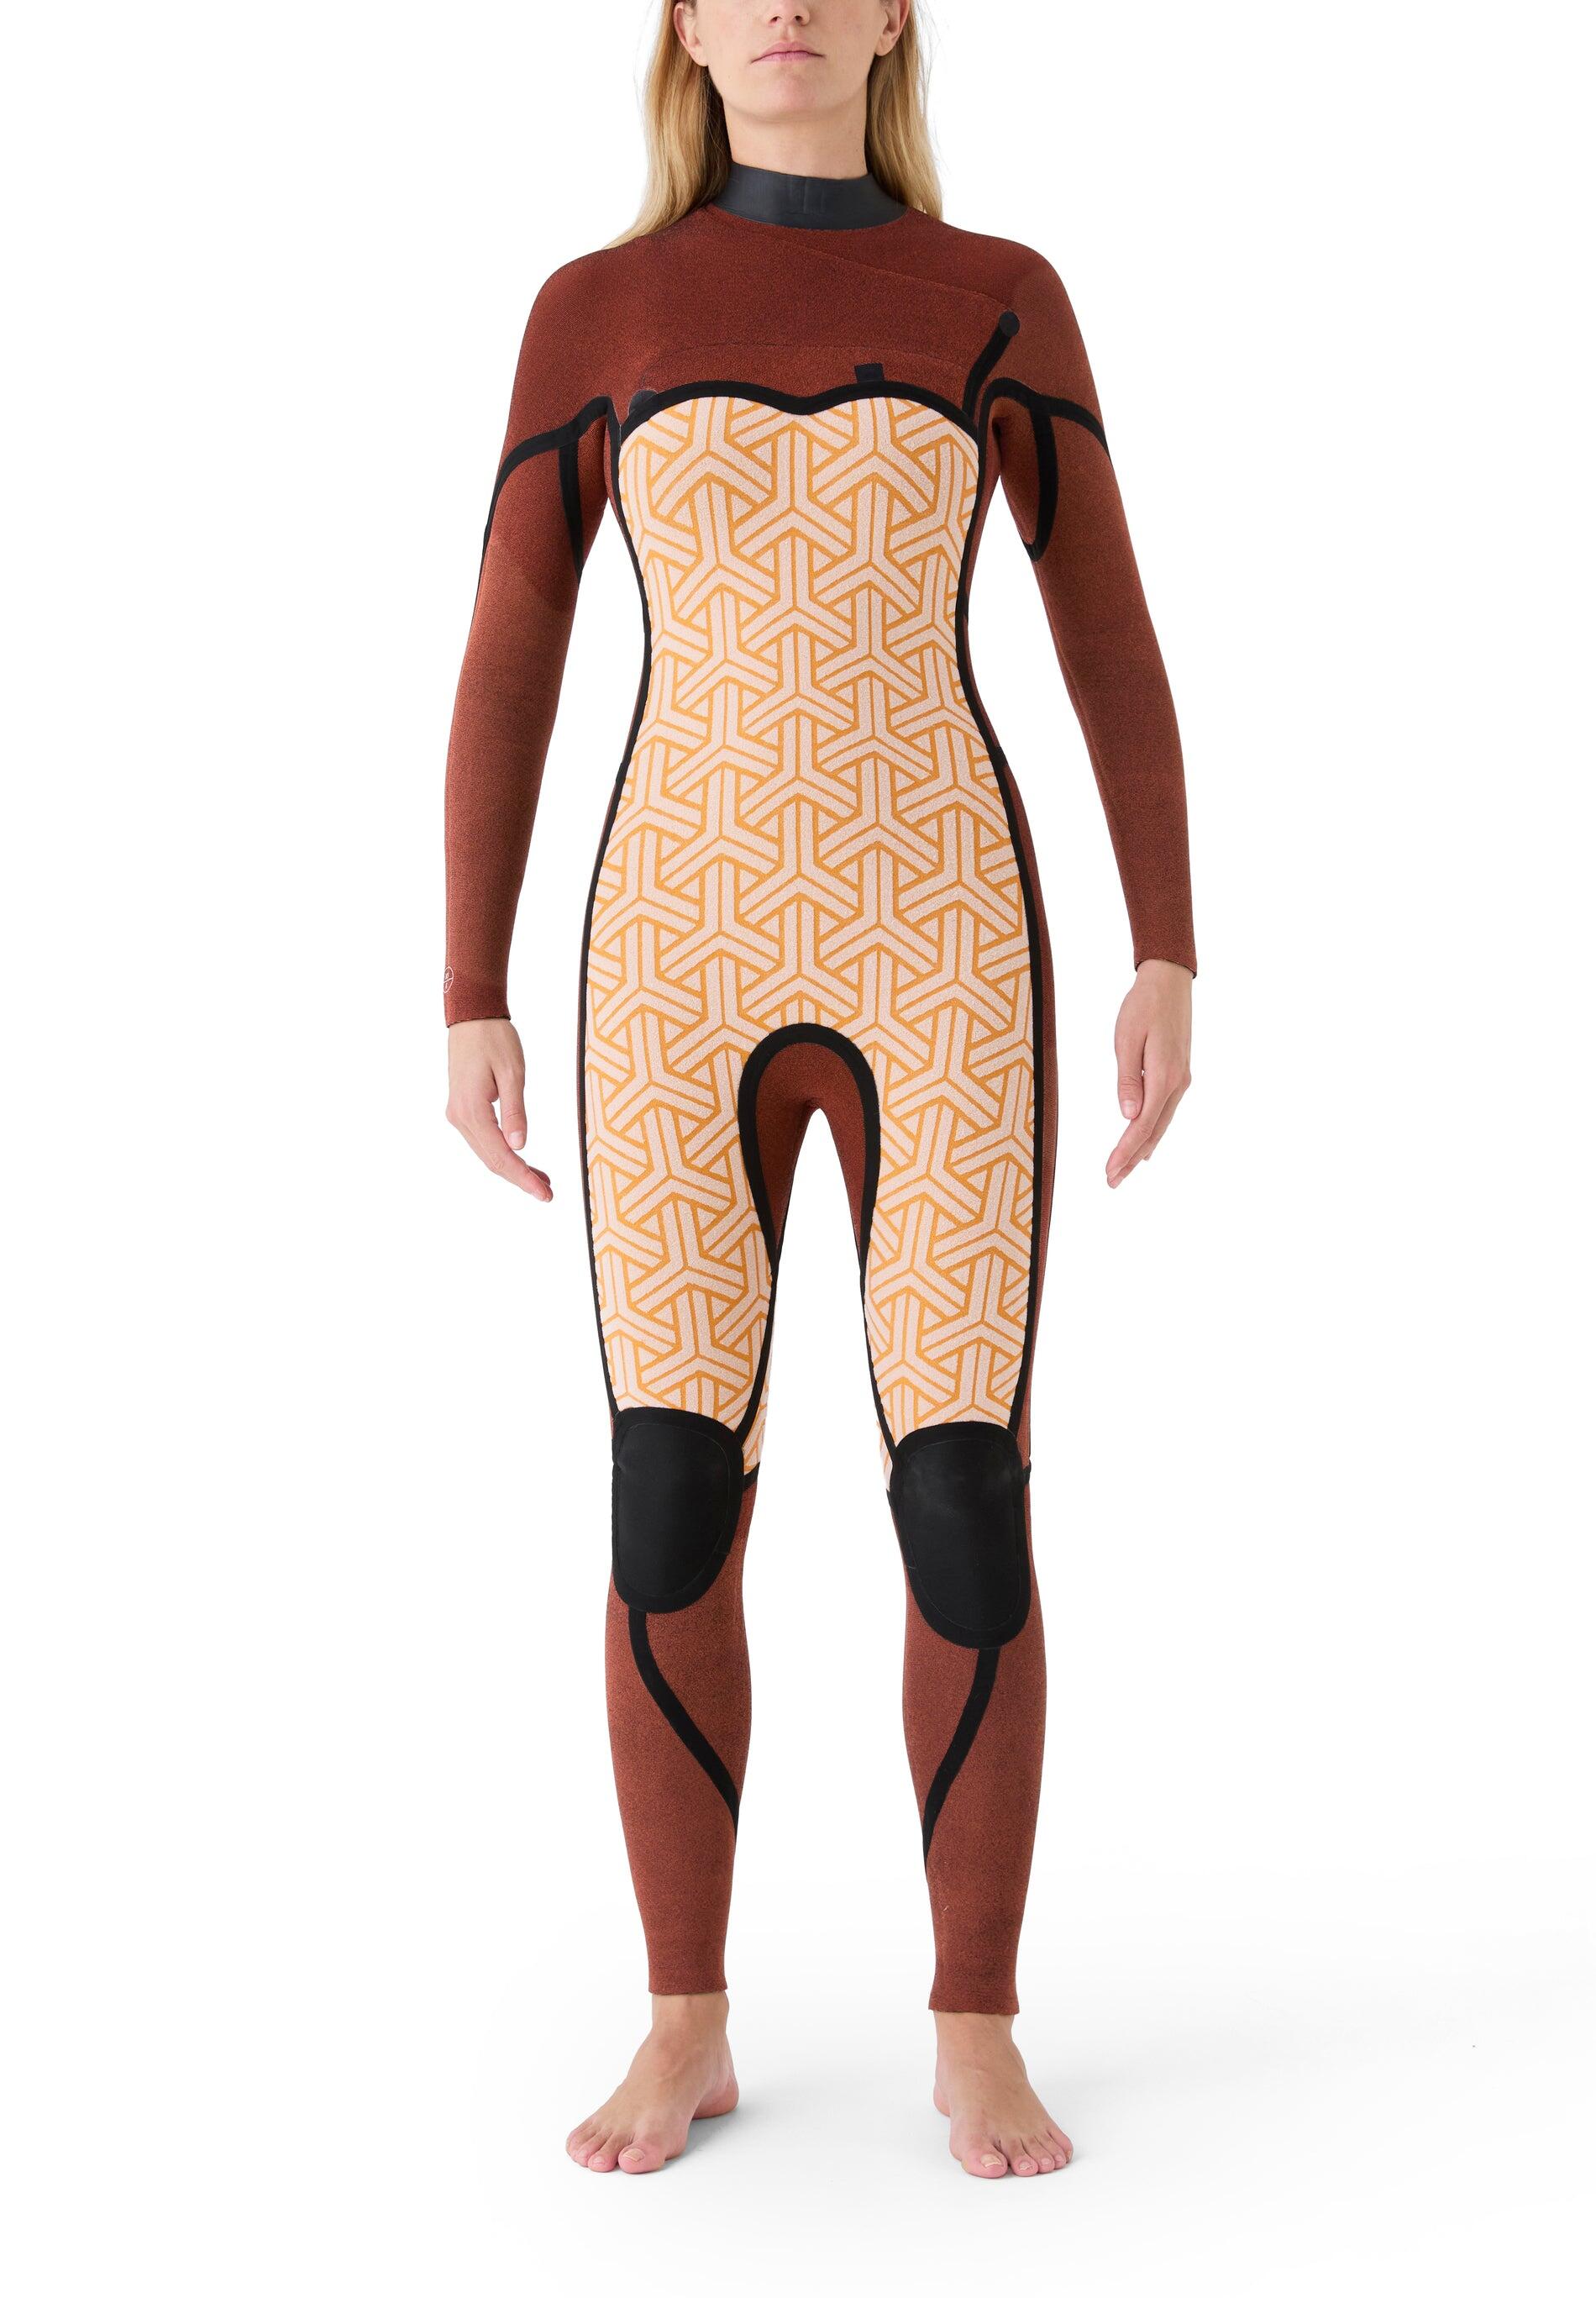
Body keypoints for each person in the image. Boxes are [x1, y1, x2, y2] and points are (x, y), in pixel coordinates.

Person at [442, 0, 1194, 2181]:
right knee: (670, 1487)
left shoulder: (993, 296)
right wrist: (466, 985)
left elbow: (1105, 623)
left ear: (887, 20)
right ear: (685, 28)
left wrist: (1165, 940)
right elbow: (510, 646)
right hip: (667, 965)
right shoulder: (595, 312)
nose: (783, 2)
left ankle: (976, 2025)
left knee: (961, 1489)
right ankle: (682, 2018)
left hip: (939, 952)